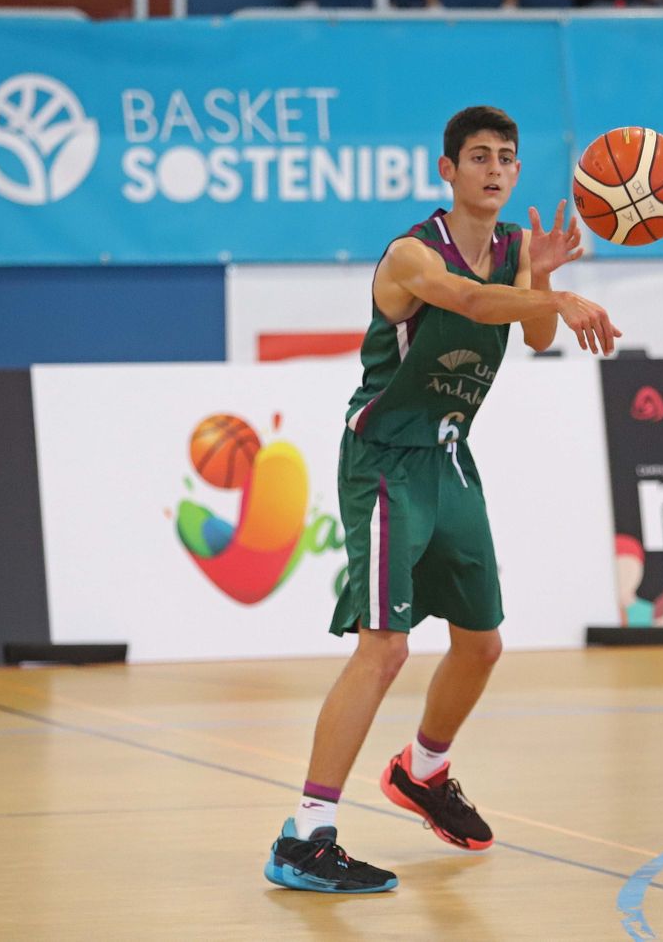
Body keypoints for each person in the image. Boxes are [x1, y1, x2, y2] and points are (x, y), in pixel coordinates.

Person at [263, 106, 619, 893]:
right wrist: (555, 298)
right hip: (386, 460)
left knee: (482, 643)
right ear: (447, 170)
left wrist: (543, 280)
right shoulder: (410, 255)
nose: (495, 169)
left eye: (507, 158)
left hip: (451, 457)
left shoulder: (518, 248)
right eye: (479, 156)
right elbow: (479, 305)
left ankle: (421, 771)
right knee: (385, 648)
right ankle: (304, 836)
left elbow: (534, 338)